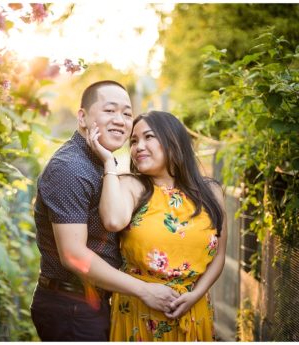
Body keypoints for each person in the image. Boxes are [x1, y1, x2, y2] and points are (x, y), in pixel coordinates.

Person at [30, 81, 180, 341]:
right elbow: (73, 255)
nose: (120, 120)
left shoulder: (99, 162)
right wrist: (145, 291)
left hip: (89, 303)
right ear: (83, 117)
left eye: (126, 113)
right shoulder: (71, 168)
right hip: (70, 308)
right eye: (110, 111)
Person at [87, 110, 227, 341]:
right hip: (139, 310)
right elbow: (112, 221)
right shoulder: (131, 185)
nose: (138, 146)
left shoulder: (211, 192)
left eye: (148, 137)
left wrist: (195, 296)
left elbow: (219, 255)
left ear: (173, 141)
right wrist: (108, 163)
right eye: (133, 141)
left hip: (194, 308)